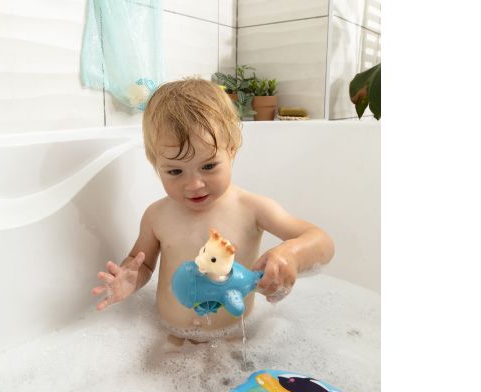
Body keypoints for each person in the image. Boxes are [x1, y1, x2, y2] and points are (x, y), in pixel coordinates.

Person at [91, 79, 334, 340]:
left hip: (235, 339)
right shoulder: (156, 216)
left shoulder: (252, 209)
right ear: (155, 164)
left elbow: (322, 242)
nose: (194, 184)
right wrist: (130, 279)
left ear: (231, 151)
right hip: (170, 336)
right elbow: (143, 263)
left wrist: (290, 256)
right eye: (175, 171)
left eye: (208, 166)